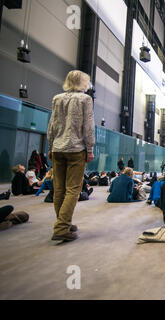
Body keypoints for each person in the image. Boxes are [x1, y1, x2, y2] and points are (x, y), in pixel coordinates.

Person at [47, 70, 95, 242]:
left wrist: (51, 145)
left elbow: (52, 124)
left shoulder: (57, 98)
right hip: (76, 149)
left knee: (59, 188)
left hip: (58, 148)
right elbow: (88, 126)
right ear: (82, 82)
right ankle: (61, 227)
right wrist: (89, 148)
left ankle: (63, 222)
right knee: (73, 189)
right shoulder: (85, 99)